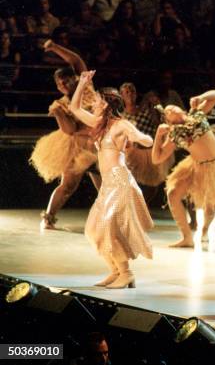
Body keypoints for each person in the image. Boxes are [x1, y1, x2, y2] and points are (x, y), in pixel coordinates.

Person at [71, 70, 153, 289]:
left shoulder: (120, 125)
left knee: (108, 226)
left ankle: (126, 273)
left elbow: (143, 138)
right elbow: (74, 108)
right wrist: (82, 83)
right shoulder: (100, 123)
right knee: (92, 229)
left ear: (106, 104)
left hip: (120, 180)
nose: (93, 104)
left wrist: (142, 138)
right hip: (108, 184)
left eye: (97, 101)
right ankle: (115, 271)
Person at [151, 90, 215, 247]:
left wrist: (200, 97)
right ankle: (187, 237)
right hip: (195, 166)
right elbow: (157, 159)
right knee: (172, 194)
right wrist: (158, 135)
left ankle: (204, 230)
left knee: (209, 206)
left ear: (181, 109)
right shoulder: (174, 134)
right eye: (167, 111)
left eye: (172, 107)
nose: (170, 109)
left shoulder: (197, 114)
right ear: (167, 120)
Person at [30, 40, 99, 231]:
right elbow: (69, 130)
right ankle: (48, 217)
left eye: (66, 80)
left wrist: (54, 48)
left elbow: (76, 60)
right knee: (68, 186)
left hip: (98, 145)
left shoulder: (86, 87)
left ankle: (111, 220)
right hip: (77, 149)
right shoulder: (60, 105)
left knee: (105, 187)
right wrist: (60, 114)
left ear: (75, 78)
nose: (63, 85)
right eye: (59, 83)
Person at [119, 82, 174, 188]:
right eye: (127, 92)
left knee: (151, 185)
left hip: (150, 153)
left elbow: (158, 123)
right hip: (133, 155)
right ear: (121, 96)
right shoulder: (122, 116)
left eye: (132, 91)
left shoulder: (146, 111)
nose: (130, 94)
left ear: (136, 94)